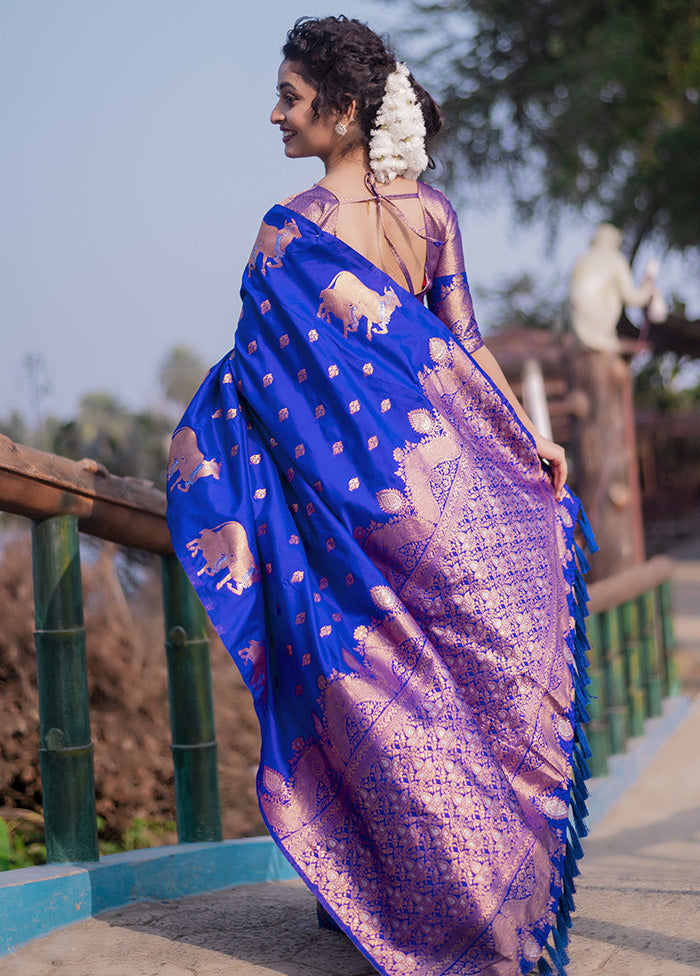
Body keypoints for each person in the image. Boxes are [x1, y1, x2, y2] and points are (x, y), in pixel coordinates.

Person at [166, 16, 595, 976]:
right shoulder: (430, 215)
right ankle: (493, 909)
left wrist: (200, 441)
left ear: (346, 111)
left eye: (290, 97)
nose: (274, 114)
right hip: (441, 505)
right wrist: (532, 445)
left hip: (353, 523)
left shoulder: (291, 230)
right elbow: (468, 349)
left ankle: (412, 906)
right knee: (465, 701)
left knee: (386, 706)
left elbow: (258, 385)